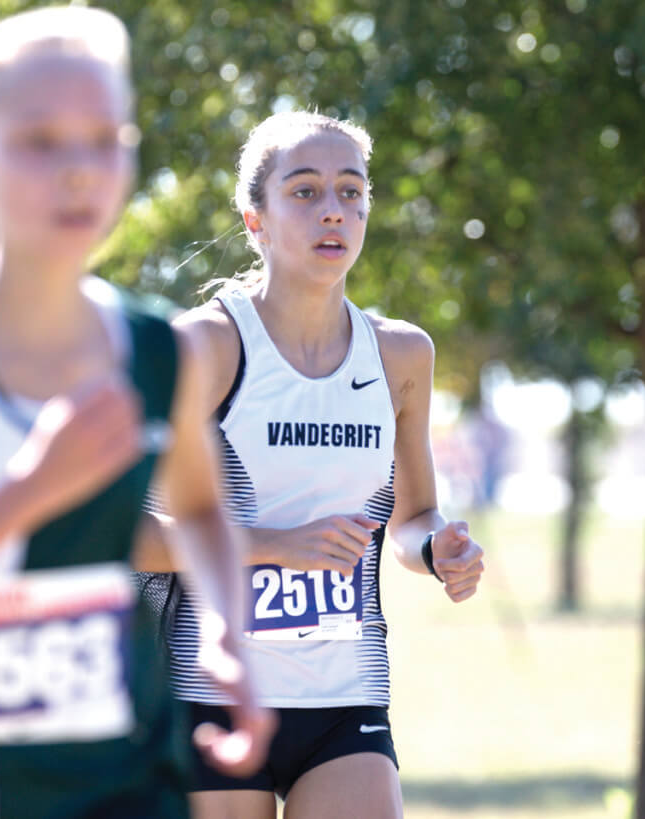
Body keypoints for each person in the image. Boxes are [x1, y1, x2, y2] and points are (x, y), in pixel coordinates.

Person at [0, 7, 271, 818]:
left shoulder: (160, 350)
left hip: (121, 781)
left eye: (105, 140)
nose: (81, 171)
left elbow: (200, 507)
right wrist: (27, 493)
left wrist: (228, 631)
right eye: (40, 142)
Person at [156, 110, 486, 818]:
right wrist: (276, 545)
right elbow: (133, 533)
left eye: (351, 192)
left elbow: (410, 517)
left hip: (344, 697)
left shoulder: (401, 355)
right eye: (304, 192)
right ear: (255, 219)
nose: (333, 210)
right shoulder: (206, 347)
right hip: (213, 692)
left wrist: (436, 547)